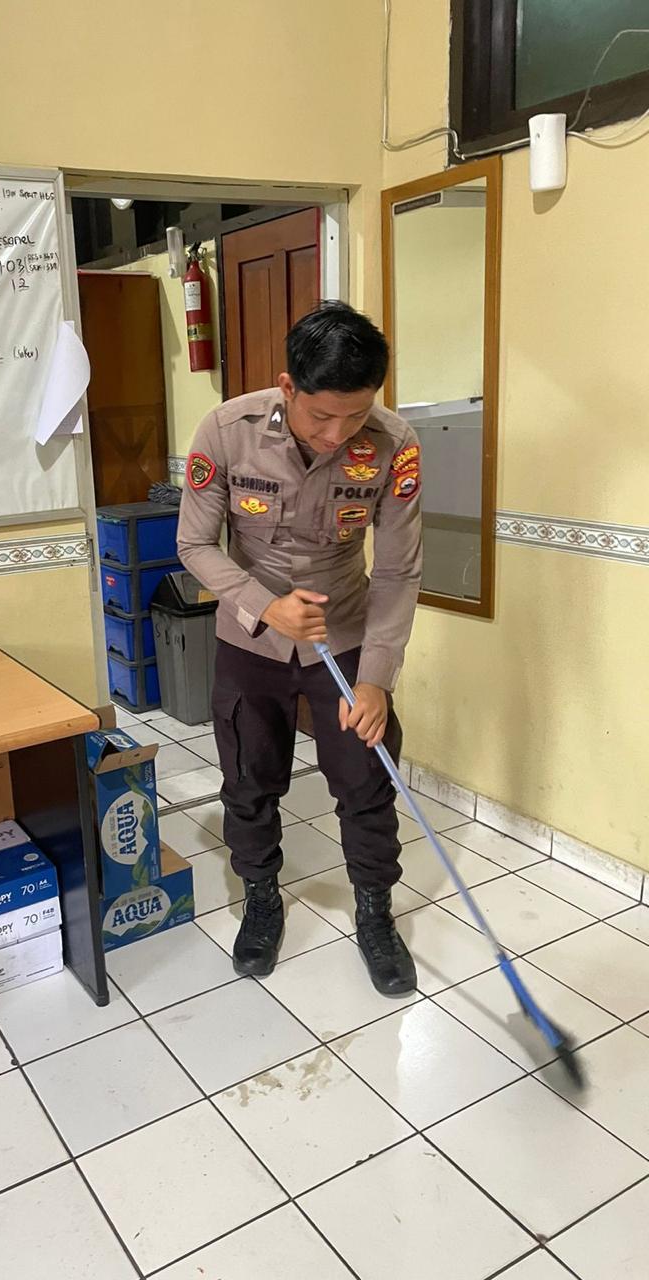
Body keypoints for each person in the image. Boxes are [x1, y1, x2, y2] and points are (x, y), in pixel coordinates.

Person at [176, 301, 422, 992]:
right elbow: (193, 544)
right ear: (288, 387)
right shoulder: (227, 430)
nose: (339, 434)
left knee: (367, 780)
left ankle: (375, 912)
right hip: (251, 639)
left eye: (356, 415)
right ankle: (261, 899)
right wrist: (265, 606)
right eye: (321, 416)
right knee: (249, 779)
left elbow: (399, 570)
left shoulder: (395, 443)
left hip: (343, 637)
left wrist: (376, 677)